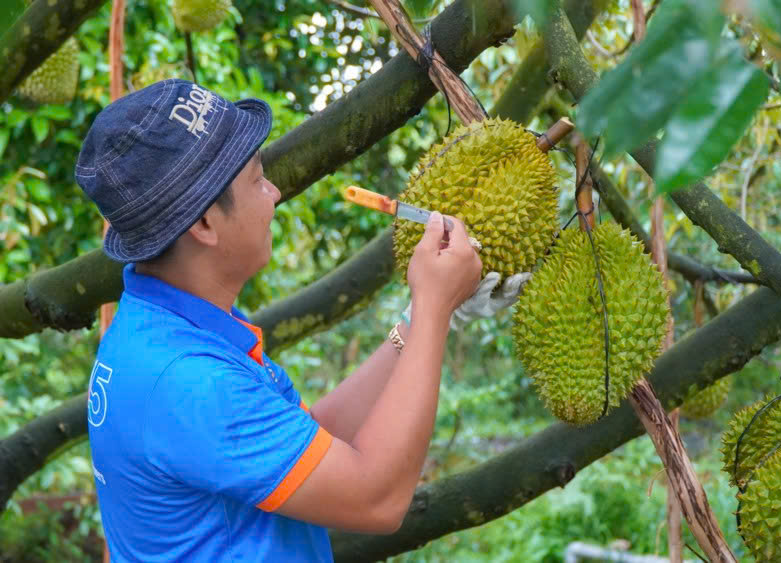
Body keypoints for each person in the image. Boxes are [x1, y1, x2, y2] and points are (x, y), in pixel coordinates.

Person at [76, 79, 527, 562]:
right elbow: (378, 500)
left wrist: (418, 323)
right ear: (204, 224)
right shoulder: (190, 381)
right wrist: (435, 310)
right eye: (255, 179)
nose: (272, 193)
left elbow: (310, 439)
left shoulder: (168, 327)